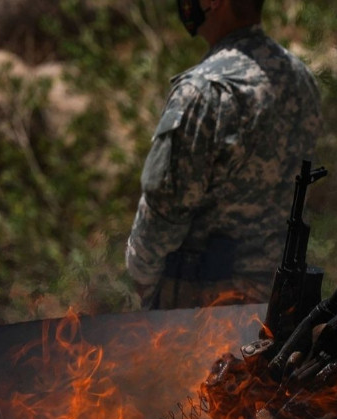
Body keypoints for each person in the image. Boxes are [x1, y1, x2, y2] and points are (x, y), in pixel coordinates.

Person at [126, 0, 322, 309]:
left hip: (200, 316)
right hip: (276, 306)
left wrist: (144, 281)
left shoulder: (203, 89)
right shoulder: (302, 80)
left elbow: (163, 211)